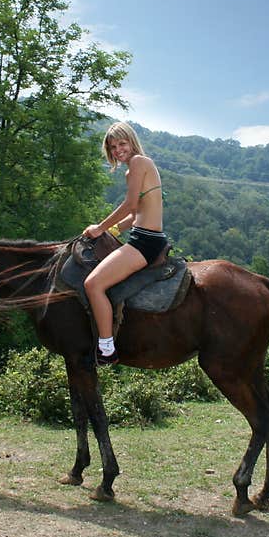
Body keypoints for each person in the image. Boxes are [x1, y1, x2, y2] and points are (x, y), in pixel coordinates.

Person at [82, 121, 168, 366]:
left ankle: (106, 348)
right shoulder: (137, 167)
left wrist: (99, 228)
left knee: (93, 284)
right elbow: (136, 213)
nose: (118, 150)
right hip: (145, 237)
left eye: (122, 143)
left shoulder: (139, 163)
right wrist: (112, 231)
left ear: (131, 141)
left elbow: (130, 205)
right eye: (113, 147)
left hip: (145, 242)